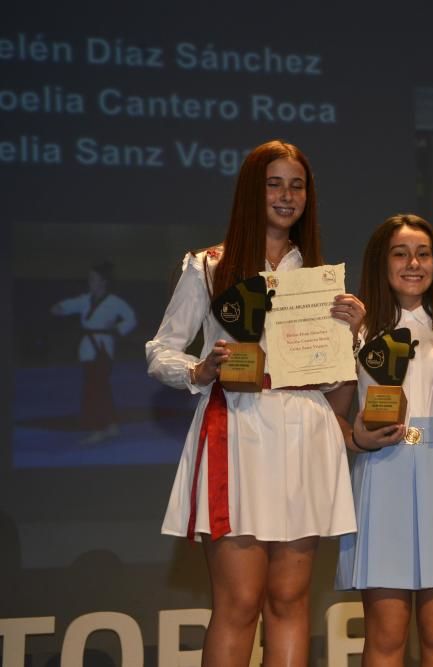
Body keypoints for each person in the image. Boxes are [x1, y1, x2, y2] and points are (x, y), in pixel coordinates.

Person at [146, 140, 363, 667]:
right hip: (237, 430)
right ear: (251, 190)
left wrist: (355, 335)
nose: (287, 196)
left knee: (289, 600)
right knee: (240, 602)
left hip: (306, 431)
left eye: (297, 185)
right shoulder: (209, 264)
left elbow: (336, 373)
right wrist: (199, 370)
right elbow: (159, 350)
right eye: (274, 183)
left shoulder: (316, 277)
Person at [335, 214, 433, 666]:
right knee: (386, 636)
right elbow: (331, 418)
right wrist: (360, 440)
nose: (413, 263)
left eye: (423, 254)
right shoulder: (356, 332)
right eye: (400, 254)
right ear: (382, 264)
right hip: (382, 477)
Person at [51, 260, 137, 444]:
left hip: (103, 348)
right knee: (99, 387)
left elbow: (131, 318)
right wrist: (59, 308)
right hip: (88, 348)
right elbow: (68, 305)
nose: (90, 281)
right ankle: (112, 426)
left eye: (93, 278)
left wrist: (117, 327)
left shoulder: (114, 302)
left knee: (96, 389)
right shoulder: (86, 299)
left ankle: (100, 428)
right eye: (90, 278)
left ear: (103, 281)